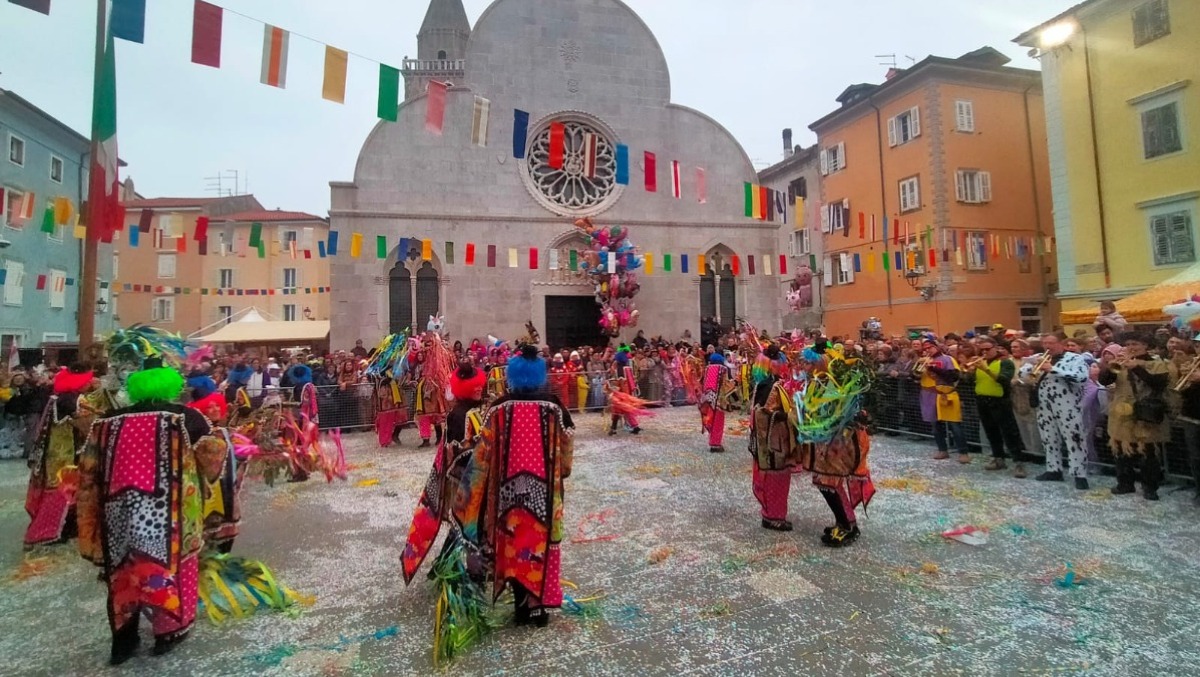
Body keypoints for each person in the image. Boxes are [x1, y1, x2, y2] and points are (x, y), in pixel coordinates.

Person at [76, 361, 211, 664]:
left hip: (119, 509)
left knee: (123, 573)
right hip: (171, 513)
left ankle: (123, 640)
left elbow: (88, 470)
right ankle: (168, 632)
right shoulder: (186, 417)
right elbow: (210, 459)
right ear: (170, 385)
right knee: (172, 569)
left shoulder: (107, 422)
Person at [440, 346, 575, 631]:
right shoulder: (553, 407)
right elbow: (565, 458)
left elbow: (483, 455)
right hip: (545, 499)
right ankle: (539, 608)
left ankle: (520, 606)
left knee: (513, 548)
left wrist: (471, 493)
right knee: (540, 547)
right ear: (539, 375)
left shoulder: (499, 409)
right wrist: (559, 472)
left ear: (512, 376)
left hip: (506, 499)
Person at [401, 363, 488, 582]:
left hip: (478, 479)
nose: (479, 389)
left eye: (480, 386)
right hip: (463, 481)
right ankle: (467, 571)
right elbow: (456, 452)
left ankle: (446, 567)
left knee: (467, 525)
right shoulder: (458, 415)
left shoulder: (477, 410)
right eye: (474, 387)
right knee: (465, 525)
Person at [24, 364, 97, 548]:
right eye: (88, 380)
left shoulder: (58, 398)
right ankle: (48, 532)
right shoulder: (75, 401)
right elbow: (90, 423)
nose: (90, 384)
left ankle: (62, 529)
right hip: (65, 455)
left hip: (54, 453)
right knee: (63, 490)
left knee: (62, 489)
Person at [1099, 333, 1170, 500]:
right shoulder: (1121, 362)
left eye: (1135, 344)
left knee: (1148, 453)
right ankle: (1125, 483)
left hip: (1146, 412)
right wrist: (1110, 366)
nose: (1131, 347)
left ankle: (1150, 487)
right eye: (1129, 344)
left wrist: (1135, 367)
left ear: (1146, 346)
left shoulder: (1157, 363)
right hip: (1122, 412)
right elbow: (1104, 381)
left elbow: (1158, 384)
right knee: (1122, 452)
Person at [1020, 333, 1090, 490]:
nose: (1047, 346)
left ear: (1061, 344)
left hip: (1068, 405)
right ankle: (1053, 469)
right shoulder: (1038, 357)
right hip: (1044, 405)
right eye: (1045, 343)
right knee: (1048, 438)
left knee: (1074, 439)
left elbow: (1081, 378)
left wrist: (1053, 369)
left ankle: (1079, 474)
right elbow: (1021, 375)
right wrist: (1032, 366)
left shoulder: (1075, 358)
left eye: (1051, 343)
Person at [748, 346, 801, 531]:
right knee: (777, 478)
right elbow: (766, 413)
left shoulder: (761, 384)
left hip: (765, 442)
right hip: (775, 442)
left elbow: (757, 413)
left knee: (770, 477)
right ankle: (774, 517)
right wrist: (789, 417)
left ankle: (769, 513)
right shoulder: (774, 385)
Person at [966, 339, 1028, 477]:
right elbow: (970, 381)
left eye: (987, 349)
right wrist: (970, 372)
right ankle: (998, 458)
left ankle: (1019, 462)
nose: (984, 352)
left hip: (1000, 401)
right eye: (981, 349)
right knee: (991, 431)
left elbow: (1004, 380)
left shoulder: (1005, 362)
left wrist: (986, 369)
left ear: (995, 348)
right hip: (982, 400)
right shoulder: (979, 363)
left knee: (1010, 432)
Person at [189, 392, 242, 553]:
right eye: (208, 407)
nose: (214, 409)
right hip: (209, 492)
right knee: (208, 536)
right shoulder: (198, 435)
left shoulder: (224, 431)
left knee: (227, 537)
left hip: (227, 490)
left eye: (217, 405)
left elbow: (234, 457)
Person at [917, 339, 968, 463]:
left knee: (954, 425)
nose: (928, 350)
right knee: (935, 425)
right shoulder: (923, 360)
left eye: (930, 347)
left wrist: (933, 369)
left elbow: (954, 376)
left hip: (944, 394)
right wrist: (917, 369)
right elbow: (915, 375)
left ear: (937, 347)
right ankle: (942, 449)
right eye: (925, 349)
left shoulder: (948, 359)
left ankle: (963, 452)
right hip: (928, 395)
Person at [698, 353, 735, 453]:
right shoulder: (723, 369)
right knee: (718, 421)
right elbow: (726, 385)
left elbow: (702, 381)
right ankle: (716, 444)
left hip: (707, 398)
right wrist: (735, 383)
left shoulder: (707, 368)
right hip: (718, 399)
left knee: (710, 419)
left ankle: (712, 440)